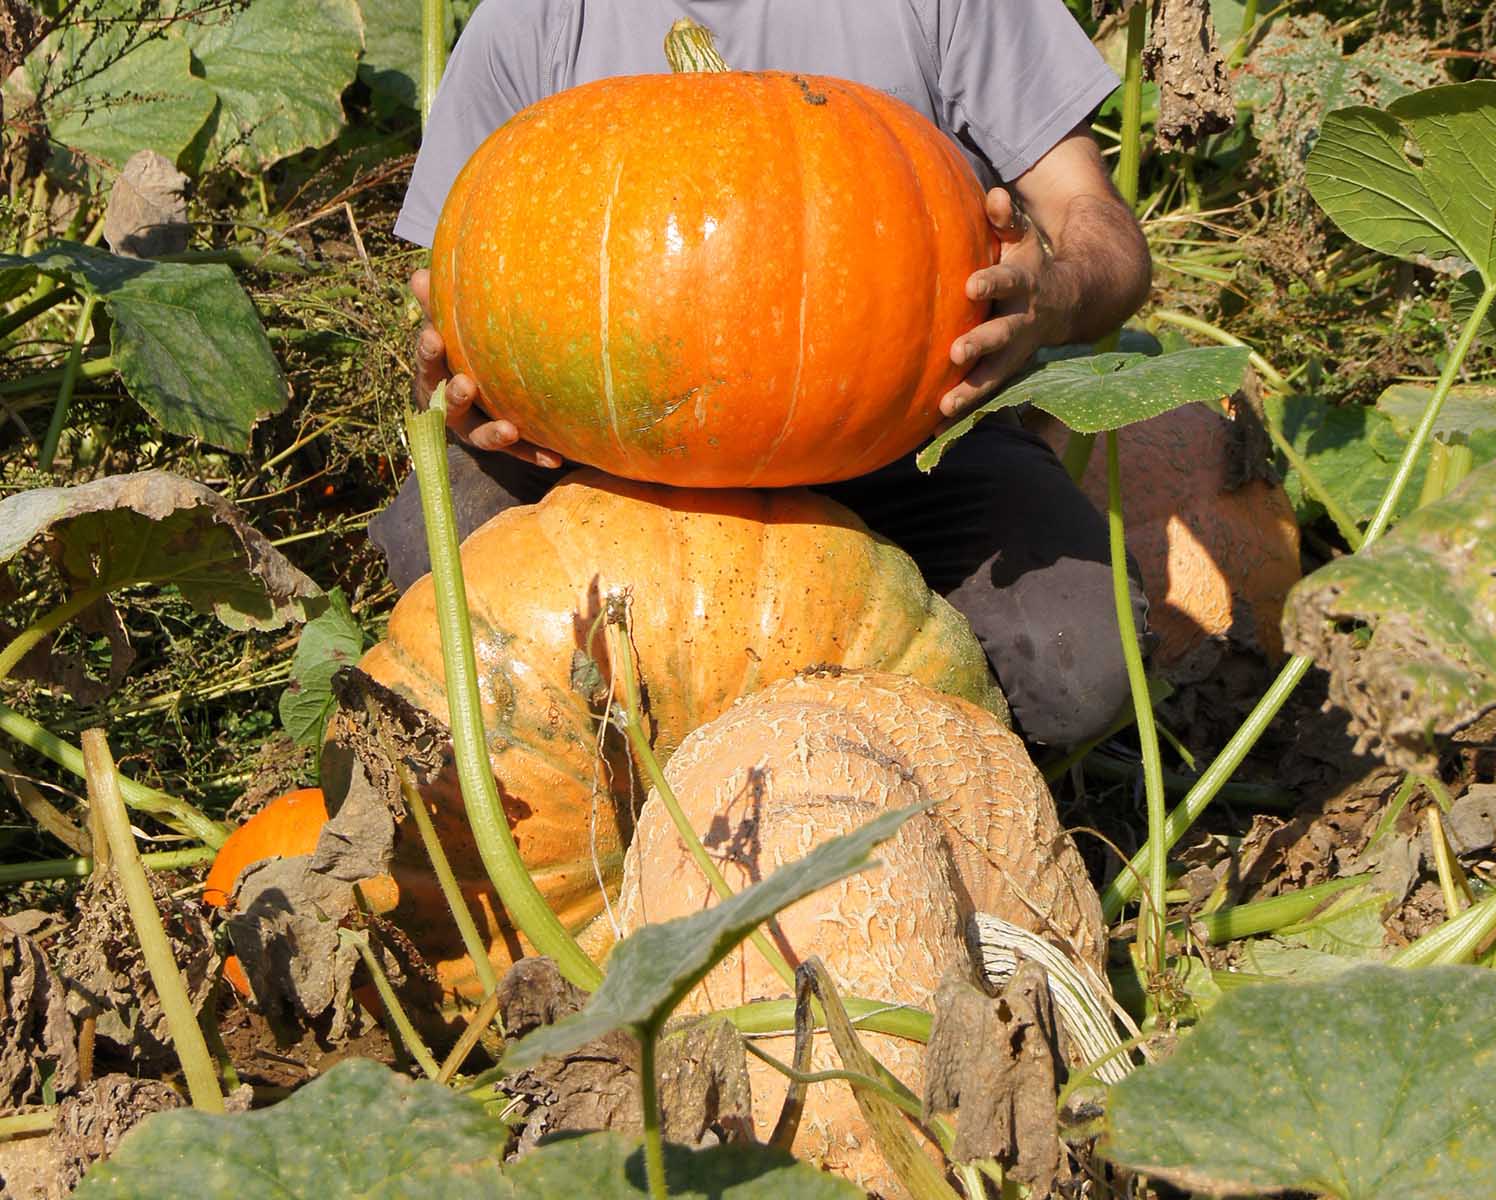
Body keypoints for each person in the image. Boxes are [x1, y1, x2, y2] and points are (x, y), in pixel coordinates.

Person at [372, 0, 1153, 746]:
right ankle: (591, 790)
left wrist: (1056, 295)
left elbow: (1106, 237)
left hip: (902, 435)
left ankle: (917, 776)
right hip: (597, 449)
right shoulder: (532, 20)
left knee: (1085, 664)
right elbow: (452, 308)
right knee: (427, 564)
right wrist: (461, 391)